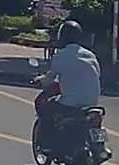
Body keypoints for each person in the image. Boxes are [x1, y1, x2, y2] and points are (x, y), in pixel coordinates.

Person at [35, 19, 101, 150]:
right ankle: (98, 145)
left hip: (70, 104)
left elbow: (49, 80)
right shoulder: (90, 55)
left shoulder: (61, 56)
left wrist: (40, 81)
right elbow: (96, 75)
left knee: (47, 108)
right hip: (92, 103)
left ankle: (47, 145)